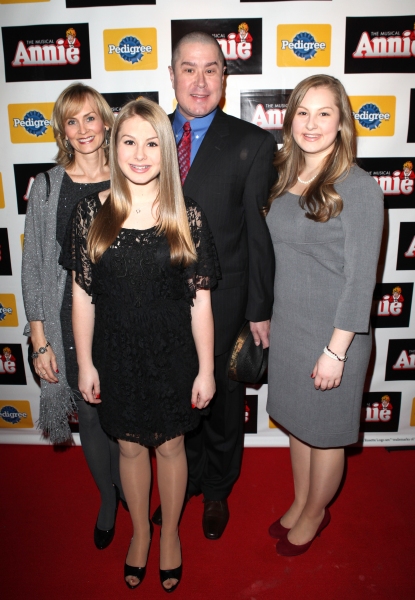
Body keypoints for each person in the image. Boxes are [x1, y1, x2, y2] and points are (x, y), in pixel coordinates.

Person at [63, 98, 219, 591]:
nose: (139, 153)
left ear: (167, 151)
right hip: (115, 354)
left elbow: (200, 304)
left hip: (172, 354)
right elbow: (82, 297)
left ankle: (169, 534)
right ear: (115, 144)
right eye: (128, 141)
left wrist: (207, 368)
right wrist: (85, 362)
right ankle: (139, 536)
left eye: (152, 143)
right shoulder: (91, 212)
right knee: (129, 449)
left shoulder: (186, 215)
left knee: (172, 446)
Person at [151, 31, 275, 540]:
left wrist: (260, 308)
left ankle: (218, 490)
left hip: (223, 301)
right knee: (178, 400)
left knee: (222, 402)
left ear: (225, 77)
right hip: (156, 300)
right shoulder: (144, 133)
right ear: (172, 74)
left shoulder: (252, 142)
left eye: (211, 70)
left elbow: (258, 234)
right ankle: (188, 481)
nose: (199, 82)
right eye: (188, 68)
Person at [265, 74, 384, 556]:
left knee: (325, 435)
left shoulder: (358, 188)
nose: (311, 124)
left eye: (324, 113)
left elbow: (361, 280)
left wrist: (336, 350)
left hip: (336, 335)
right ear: (291, 117)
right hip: (290, 325)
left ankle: (316, 513)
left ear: (342, 122)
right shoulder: (282, 177)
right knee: (297, 423)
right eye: (303, 112)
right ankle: (301, 500)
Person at [22, 82, 124, 550]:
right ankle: (108, 497)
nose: (83, 129)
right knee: (90, 412)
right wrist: (39, 338)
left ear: (106, 121)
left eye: (90, 117)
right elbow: (34, 265)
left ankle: (130, 488)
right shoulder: (46, 186)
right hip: (66, 319)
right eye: (71, 120)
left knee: (125, 414)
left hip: (125, 316)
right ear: (63, 129)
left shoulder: (130, 174)